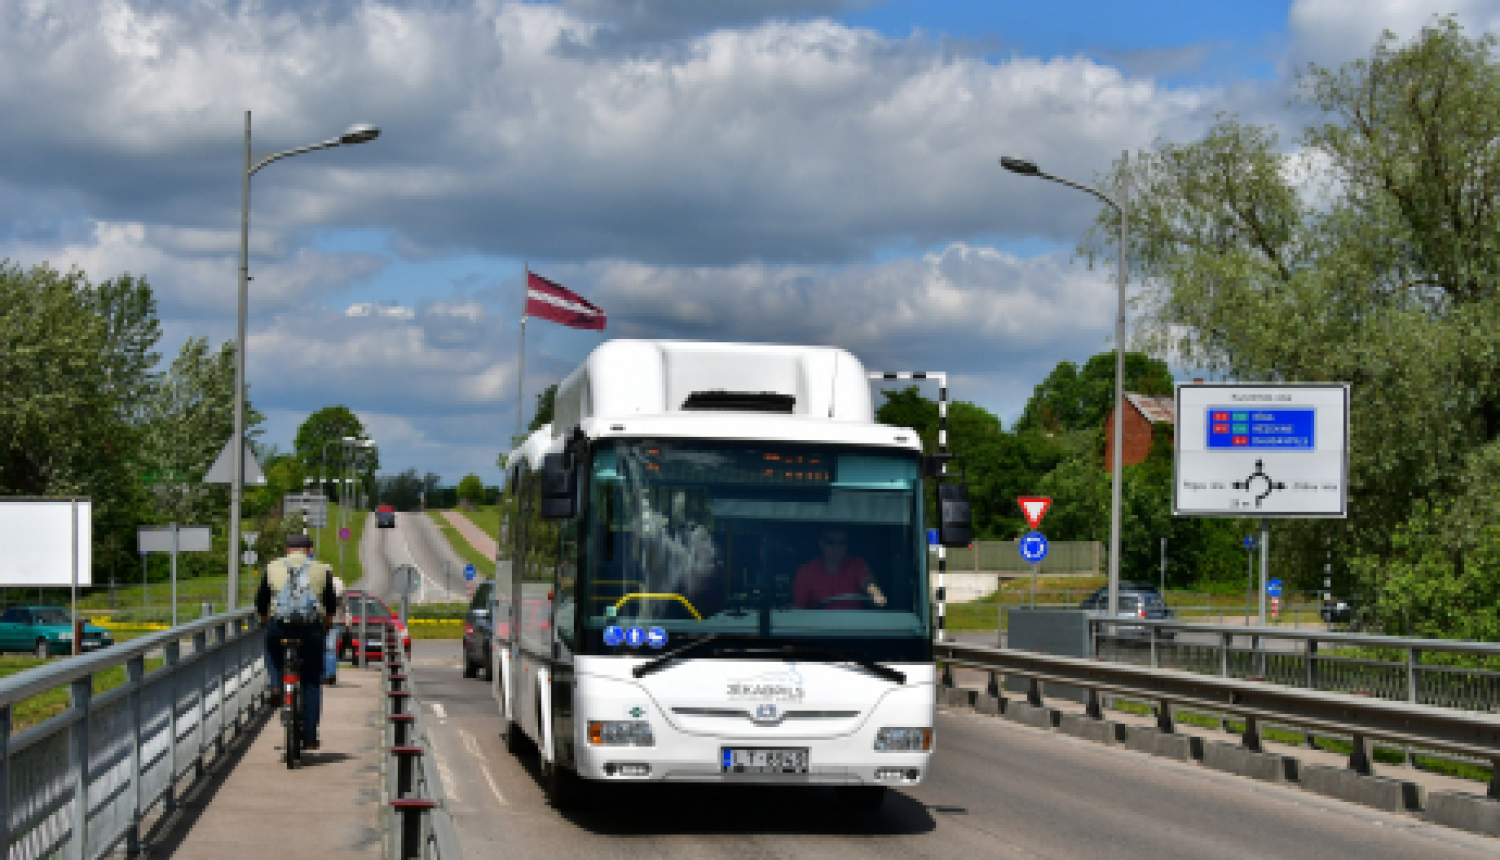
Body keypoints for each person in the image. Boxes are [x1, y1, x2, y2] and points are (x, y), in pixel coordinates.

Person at [257, 532, 338, 751]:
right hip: (310, 630)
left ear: (287, 550)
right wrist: (327, 624)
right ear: (309, 550)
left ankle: (275, 685)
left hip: (280, 627)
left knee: (272, 652)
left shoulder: (272, 567)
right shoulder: (322, 569)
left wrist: (266, 620)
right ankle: (310, 735)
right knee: (311, 680)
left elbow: (262, 599)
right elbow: (330, 603)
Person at [792, 527, 887, 610]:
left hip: (854, 625)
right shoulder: (806, 571)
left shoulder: (858, 565)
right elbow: (798, 609)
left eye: (842, 543)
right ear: (821, 543)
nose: (836, 547)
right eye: (830, 542)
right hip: (819, 626)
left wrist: (875, 593)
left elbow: (869, 584)